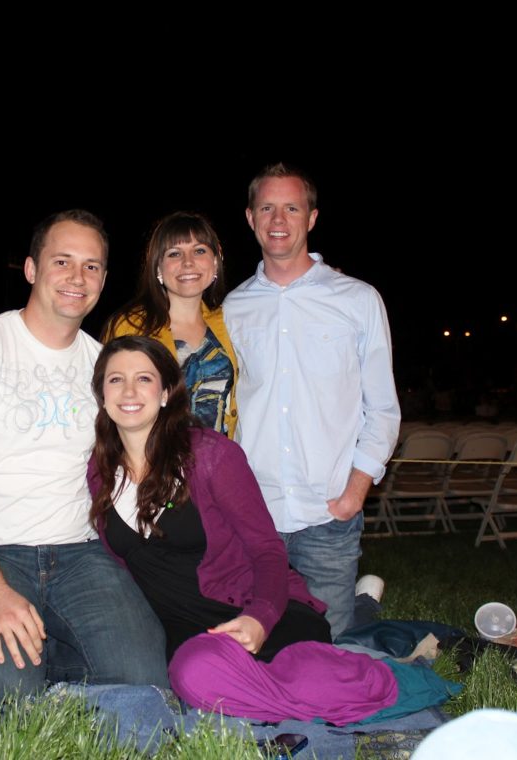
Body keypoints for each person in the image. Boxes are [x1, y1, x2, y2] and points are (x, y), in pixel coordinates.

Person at [0, 209, 167, 699]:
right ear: (31, 269)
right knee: (8, 696)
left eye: (92, 266)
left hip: (80, 554)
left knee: (145, 681)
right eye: (63, 261)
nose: (78, 278)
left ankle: (49, 648)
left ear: (104, 279)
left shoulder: (104, 366)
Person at [86, 335, 398, 723]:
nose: (129, 390)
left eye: (144, 379)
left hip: (257, 611)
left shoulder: (210, 454)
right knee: (194, 672)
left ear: (166, 392)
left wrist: (260, 617)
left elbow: (267, 550)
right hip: (189, 636)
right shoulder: (100, 473)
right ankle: (307, 689)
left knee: (298, 678)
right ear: (101, 393)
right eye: (116, 380)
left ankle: (322, 674)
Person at [223, 162, 401, 641]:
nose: (278, 219)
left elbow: (382, 408)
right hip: (252, 513)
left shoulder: (358, 299)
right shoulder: (231, 308)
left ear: (312, 218)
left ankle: (359, 606)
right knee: (259, 644)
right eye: (267, 207)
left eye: (291, 207)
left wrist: (354, 493)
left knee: (329, 646)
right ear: (250, 217)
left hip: (326, 513)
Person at [102, 212, 238, 437]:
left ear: (215, 262)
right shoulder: (130, 327)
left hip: (218, 463)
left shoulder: (229, 322)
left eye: (199, 250)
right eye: (174, 253)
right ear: (158, 268)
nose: (188, 262)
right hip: (154, 464)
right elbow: (106, 402)